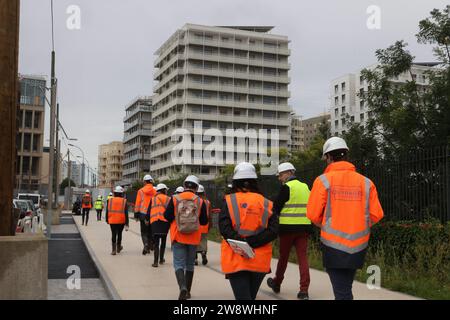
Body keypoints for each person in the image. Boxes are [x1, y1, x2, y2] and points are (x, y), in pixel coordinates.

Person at [307, 137, 384, 300]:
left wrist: (326, 226)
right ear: (346, 155)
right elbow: (377, 214)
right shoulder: (366, 182)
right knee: (344, 288)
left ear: (328, 157)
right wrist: (358, 226)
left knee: (342, 292)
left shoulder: (323, 181)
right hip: (358, 246)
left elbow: (313, 214)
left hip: (333, 246)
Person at [219, 162, 278, 300]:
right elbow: (274, 230)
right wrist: (252, 242)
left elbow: (224, 228)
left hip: (236, 258)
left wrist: (242, 243)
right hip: (259, 259)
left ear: (235, 181)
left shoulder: (228, 200)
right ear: (254, 182)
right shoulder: (266, 202)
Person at [267, 162, 312, 300]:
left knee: (284, 257)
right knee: (303, 258)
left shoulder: (287, 187)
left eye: (280, 175)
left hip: (287, 228)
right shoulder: (306, 187)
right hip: (304, 228)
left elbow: (275, 208)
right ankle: (304, 290)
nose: (280, 178)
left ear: (289, 173)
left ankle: (277, 282)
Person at [164, 175, 208, 300]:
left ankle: (182, 287)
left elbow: (166, 216)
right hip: (194, 237)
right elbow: (204, 221)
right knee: (190, 265)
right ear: (196, 187)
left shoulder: (174, 198)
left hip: (178, 235)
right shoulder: (199, 201)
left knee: (178, 264)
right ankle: (188, 291)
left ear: (184, 186)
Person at [148, 183, 171, 267]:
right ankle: (161, 259)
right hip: (165, 223)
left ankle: (155, 262)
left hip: (155, 223)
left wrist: (147, 220)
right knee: (163, 242)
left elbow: (148, 211)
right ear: (164, 190)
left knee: (156, 243)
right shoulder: (168, 199)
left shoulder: (153, 199)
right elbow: (170, 211)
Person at [135, 175, 156, 255]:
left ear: (144, 182)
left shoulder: (141, 191)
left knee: (144, 231)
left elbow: (138, 203)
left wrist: (136, 214)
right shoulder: (155, 191)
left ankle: (146, 245)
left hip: (143, 214)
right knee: (151, 231)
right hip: (153, 213)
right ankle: (151, 245)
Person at [106, 186, 129, 255]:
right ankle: (118, 248)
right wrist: (127, 223)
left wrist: (107, 219)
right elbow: (126, 213)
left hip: (112, 220)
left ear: (115, 193)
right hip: (121, 220)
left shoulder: (110, 200)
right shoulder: (124, 201)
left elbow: (107, 211)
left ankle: (113, 250)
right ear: (121, 193)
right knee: (119, 234)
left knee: (113, 234)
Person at [195, 184, 211, 266]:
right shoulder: (208, 202)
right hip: (205, 225)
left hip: (196, 225)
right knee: (204, 241)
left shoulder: (194, 201)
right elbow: (210, 215)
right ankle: (204, 253)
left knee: (195, 242)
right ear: (203, 192)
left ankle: (195, 259)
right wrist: (210, 225)